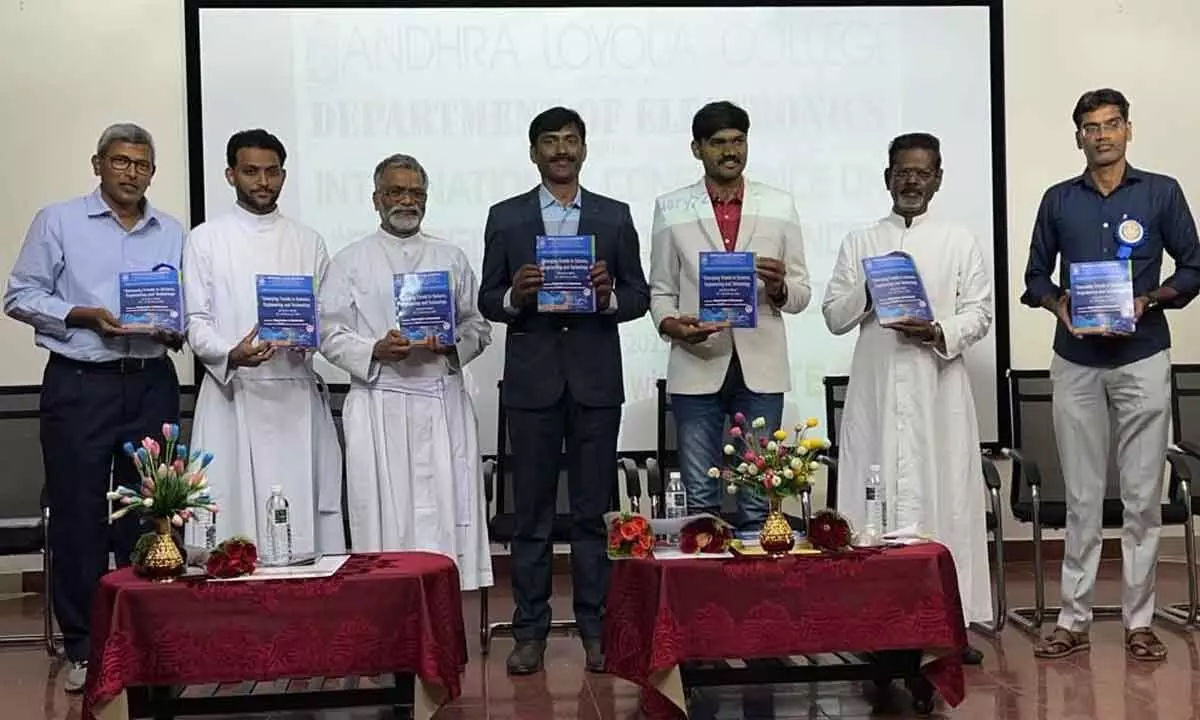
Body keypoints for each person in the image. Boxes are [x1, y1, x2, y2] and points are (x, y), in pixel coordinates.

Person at [3, 123, 186, 693]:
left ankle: (147, 643)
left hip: (152, 379)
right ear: (98, 164)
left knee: (152, 514)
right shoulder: (58, 220)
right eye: (120, 161)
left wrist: (178, 328)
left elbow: (187, 300)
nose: (131, 172)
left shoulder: (173, 230)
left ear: (152, 172)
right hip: (80, 383)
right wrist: (82, 315)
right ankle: (84, 645)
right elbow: (20, 295)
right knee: (79, 517)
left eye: (142, 164)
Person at [1022, 89, 1200, 663]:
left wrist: (1150, 299)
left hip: (1142, 354)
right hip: (1076, 362)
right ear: (1077, 136)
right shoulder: (1057, 200)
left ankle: (1139, 622)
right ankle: (1072, 621)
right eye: (1090, 127)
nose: (1102, 135)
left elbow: (1195, 265)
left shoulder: (1161, 192)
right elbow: (1034, 275)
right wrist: (1058, 305)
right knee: (1080, 496)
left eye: (1112, 124)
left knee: (1144, 499)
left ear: (1129, 130)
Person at [477, 107, 650, 675]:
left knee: (593, 515)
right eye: (548, 141)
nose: (560, 149)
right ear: (533, 152)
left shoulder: (614, 216)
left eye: (570, 140)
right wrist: (515, 297)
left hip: (596, 383)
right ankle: (530, 632)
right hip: (532, 385)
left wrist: (606, 297)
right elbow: (487, 299)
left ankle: (597, 629)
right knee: (529, 515)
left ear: (584, 149)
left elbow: (638, 296)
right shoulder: (505, 218)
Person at [823, 132, 994, 664]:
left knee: (945, 498)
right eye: (901, 171)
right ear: (887, 177)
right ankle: (874, 621)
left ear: (938, 179)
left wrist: (939, 330)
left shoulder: (958, 239)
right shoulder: (861, 241)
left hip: (936, 387)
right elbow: (832, 315)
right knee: (874, 501)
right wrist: (868, 293)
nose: (911, 181)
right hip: (875, 391)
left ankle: (948, 624)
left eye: (922, 172)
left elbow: (980, 311)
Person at [319, 153, 493, 593]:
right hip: (381, 397)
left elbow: (477, 325)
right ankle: (385, 617)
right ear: (376, 199)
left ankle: (442, 619)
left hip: (439, 397)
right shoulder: (349, 260)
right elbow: (327, 331)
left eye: (416, 193)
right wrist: (373, 349)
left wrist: (454, 344)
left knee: (444, 517)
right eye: (396, 191)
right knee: (384, 523)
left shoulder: (450, 257)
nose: (406, 201)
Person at [648, 101, 810, 536]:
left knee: (760, 498)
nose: (729, 151)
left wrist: (778, 289)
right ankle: (703, 602)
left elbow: (800, 294)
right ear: (697, 148)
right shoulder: (671, 207)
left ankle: (755, 603)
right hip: (697, 362)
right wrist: (671, 326)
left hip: (761, 366)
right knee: (701, 500)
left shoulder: (778, 204)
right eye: (718, 143)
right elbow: (660, 291)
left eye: (738, 140)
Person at [182, 129, 345, 558]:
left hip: (293, 391)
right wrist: (229, 353)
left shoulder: (308, 241)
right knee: (231, 524)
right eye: (251, 171)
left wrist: (309, 338)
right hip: (232, 392)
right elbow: (195, 320)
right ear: (230, 174)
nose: (262, 182)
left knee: (300, 527)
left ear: (284, 176)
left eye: (272, 172)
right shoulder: (205, 238)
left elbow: (327, 318)